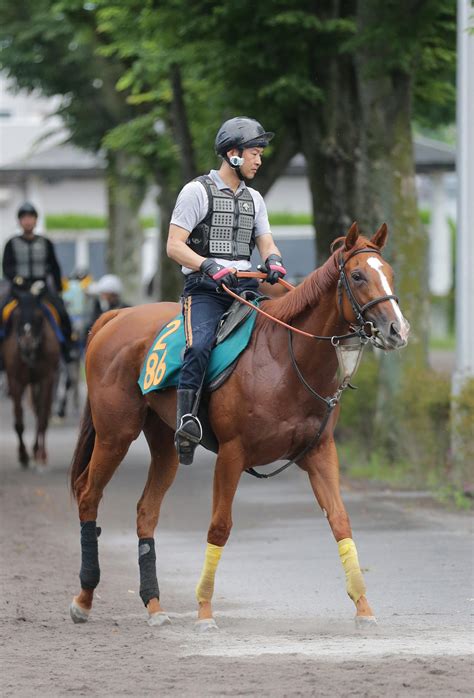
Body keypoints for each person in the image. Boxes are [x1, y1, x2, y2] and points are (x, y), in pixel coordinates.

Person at [167, 116, 287, 465]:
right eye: (254, 152)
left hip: (245, 289)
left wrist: (274, 260)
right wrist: (207, 263)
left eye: (260, 153)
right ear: (233, 154)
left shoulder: (255, 199)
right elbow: (174, 245)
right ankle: (186, 421)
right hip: (205, 290)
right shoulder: (196, 191)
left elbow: (265, 241)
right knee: (200, 344)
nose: (259, 159)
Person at [0, 202, 73, 362]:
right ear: (20, 221)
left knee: (62, 312)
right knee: (2, 311)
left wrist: (58, 290)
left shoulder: (45, 242)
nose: (27, 221)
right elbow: (7, 268)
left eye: (30, 217)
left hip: (42, 290)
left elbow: (54, 266)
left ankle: (68, 348)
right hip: (18, 291)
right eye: (24, 218)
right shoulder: (11, 243)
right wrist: (21, 283)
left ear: (35, 220)